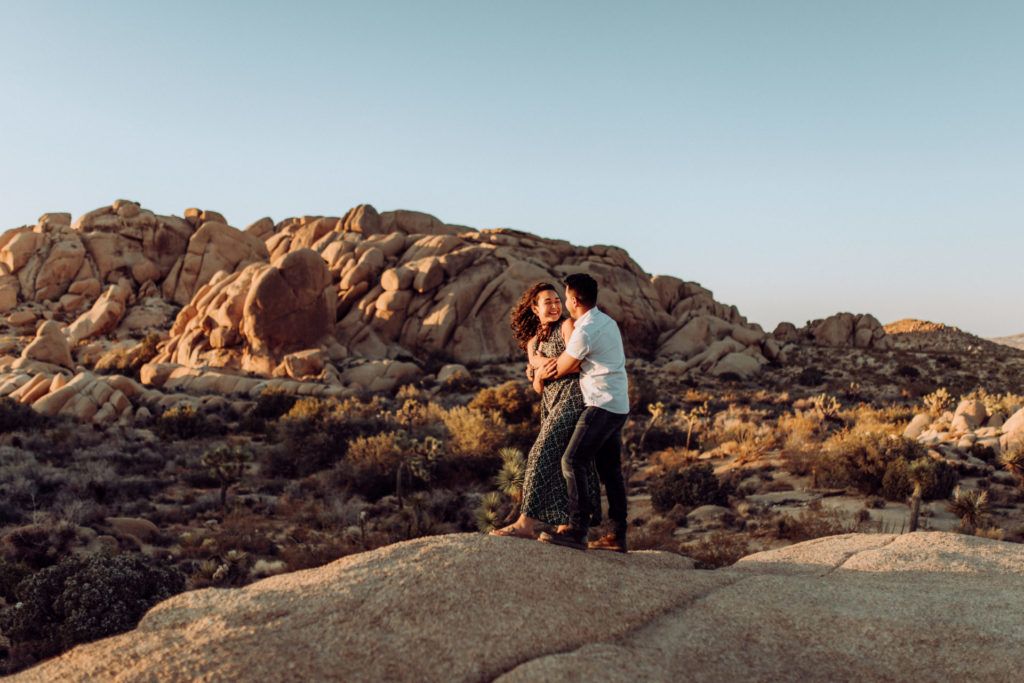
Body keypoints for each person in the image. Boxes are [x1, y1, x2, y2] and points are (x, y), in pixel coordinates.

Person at [489, 282, 600, 538]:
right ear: (535, 308)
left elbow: (579, 362)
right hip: (550, 402)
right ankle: (567, 526)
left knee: (541, 452)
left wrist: (543, 365)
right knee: (562, 460)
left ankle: (526, 524)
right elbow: (537, 385)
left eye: (557, 301)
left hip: (574, 396)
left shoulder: (567, 326)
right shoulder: (533, 342)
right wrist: (538, 377)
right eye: (547, 302)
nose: (554, 306)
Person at [536, 273, 630, 552]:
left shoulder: (585, 331)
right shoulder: (606, 321)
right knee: (610, 471)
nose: (564, 302)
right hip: (618, 405)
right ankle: (617, 536)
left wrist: (537, 365)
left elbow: (562, 367)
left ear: (575, 300)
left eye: (565, 298)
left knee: (572, 460)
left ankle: (577, 531)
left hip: (601, 405)